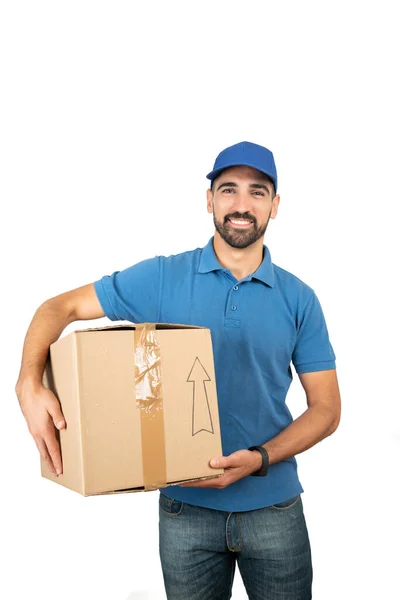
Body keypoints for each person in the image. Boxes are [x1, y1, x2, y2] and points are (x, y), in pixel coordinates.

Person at [16, 141, 341, 600]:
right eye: (228, 190)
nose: (242, 205)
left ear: (275, 205)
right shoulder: (163, 277)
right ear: (208, 200)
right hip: (185, 513)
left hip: (274, 507)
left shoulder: (299, 298)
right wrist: (27, 382)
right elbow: (60, 307)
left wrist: (259, 459)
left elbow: (326, 409)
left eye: (258, 192)